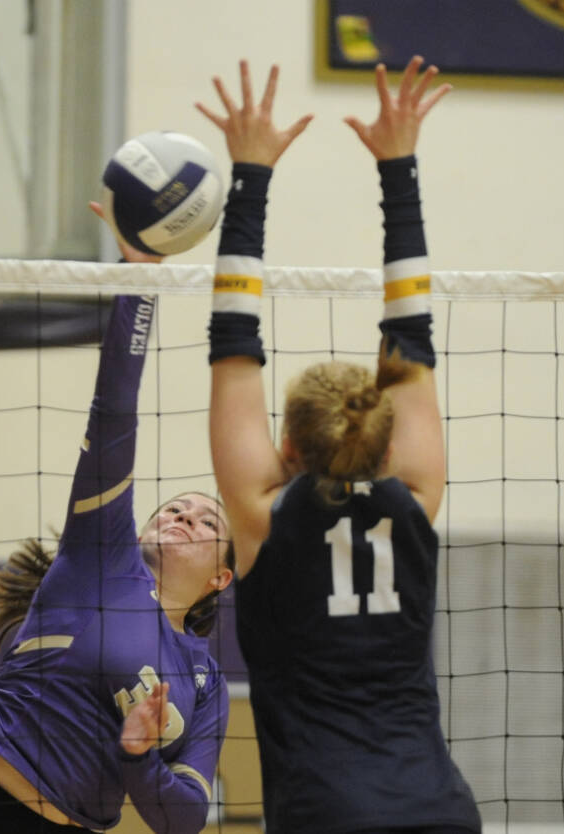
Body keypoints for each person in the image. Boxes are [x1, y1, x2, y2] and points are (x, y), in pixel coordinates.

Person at [199, 58, 482, 833]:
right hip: (439, 810)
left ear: (285, 443)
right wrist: (400, 167)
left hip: (327, 813)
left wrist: (248, 175)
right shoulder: (415, 495)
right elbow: (412, 333)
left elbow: (231, 341)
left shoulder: (262, 516)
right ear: (387, 447)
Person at [0, 230, 235, 833]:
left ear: (220, 577)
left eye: (207, 521)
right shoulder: (103, 557)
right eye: (173, 508)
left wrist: (139, 755)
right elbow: (115, 412)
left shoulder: (205, 684)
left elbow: (183, 819)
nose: (184, 516)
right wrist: (139, 283)